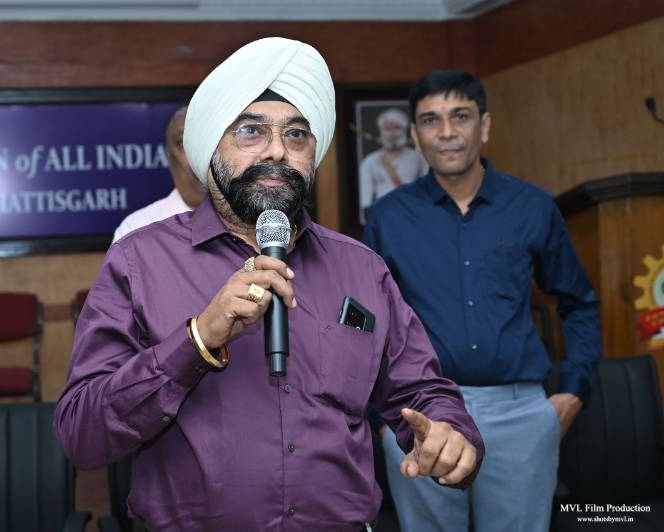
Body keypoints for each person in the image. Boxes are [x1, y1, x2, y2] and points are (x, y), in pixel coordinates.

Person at [55, 39, 484, 532]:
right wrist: (197, 339)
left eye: (297, 134)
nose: (278, 150)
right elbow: (82, 435)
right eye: (251, 131)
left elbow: (423, 391)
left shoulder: (361, 268)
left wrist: (450, 435)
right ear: (210, 149)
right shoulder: (139, 262)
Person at [363, 70, 602, 532]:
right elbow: (370, 321)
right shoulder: (389, 217)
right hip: (421, 411)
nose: (446, 132)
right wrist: (381, 416)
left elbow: (579, 302)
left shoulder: (533, 206)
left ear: (485, 125)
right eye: (431, 120)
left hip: (520, 413)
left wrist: (573, 392)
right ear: (415, 135)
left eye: (461, 116)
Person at [113, 105, 205, 242]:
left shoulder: (240, 220)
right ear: (169, 159)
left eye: (204, 141)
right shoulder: (136, 231)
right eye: (183, 143)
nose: (196, 153)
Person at [358, 107, 428, 223]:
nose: (392, 134)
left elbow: (427, 193)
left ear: (405, 130)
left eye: (397, 128)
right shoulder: (369, 162)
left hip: (413, 217)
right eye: (388, 129)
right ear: (381, 131)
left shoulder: (419, 158)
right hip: (382, 218)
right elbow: (365, 202)